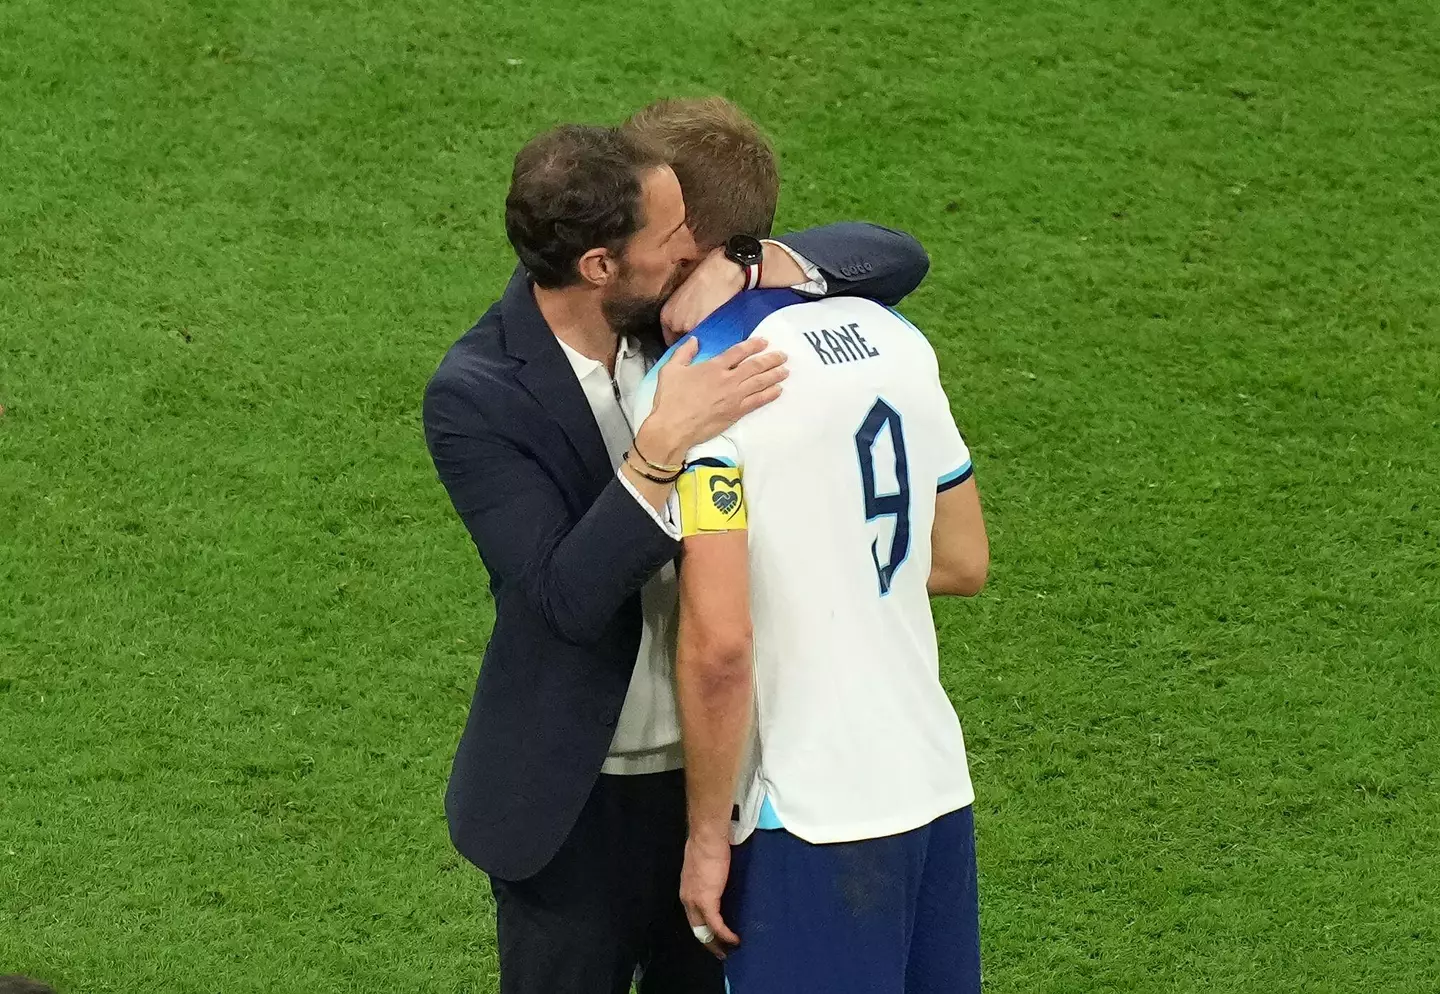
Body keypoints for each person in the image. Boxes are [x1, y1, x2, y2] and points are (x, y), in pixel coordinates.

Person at [423, 119, 932, 994]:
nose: (695, 249)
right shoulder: (477, 396)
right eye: (674, 240)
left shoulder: (674, 308)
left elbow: (893, 258)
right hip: (570, 807)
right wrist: (660, 448)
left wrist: (757, 263)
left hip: (718, 781)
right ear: (599, 267)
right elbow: (563, 601)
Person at [627, 98, 990, 994]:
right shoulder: (894, 334)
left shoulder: (699, 386)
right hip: (932, 788)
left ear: (687, 236)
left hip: (810, 814)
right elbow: (962, 560)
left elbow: (720, 647)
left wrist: (706, 837)